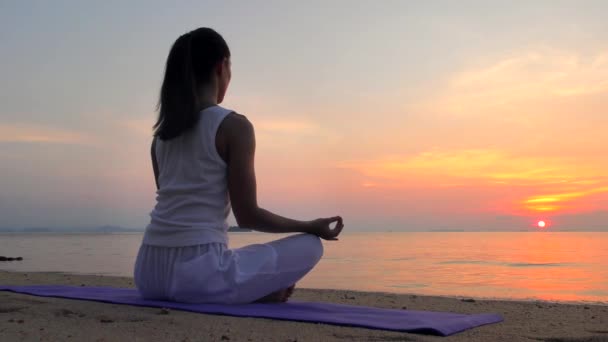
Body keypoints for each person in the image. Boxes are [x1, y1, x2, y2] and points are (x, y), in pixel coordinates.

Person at [133, 28, 344, 304]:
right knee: (309, 246)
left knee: (239, 258)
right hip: (199, 277)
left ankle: (253, 290)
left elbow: (178, 212)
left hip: (148, 274)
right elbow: (248, 216)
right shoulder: (234, 126)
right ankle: (256, 292)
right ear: (222, 67)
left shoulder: (160, 138)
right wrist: (311, 226)